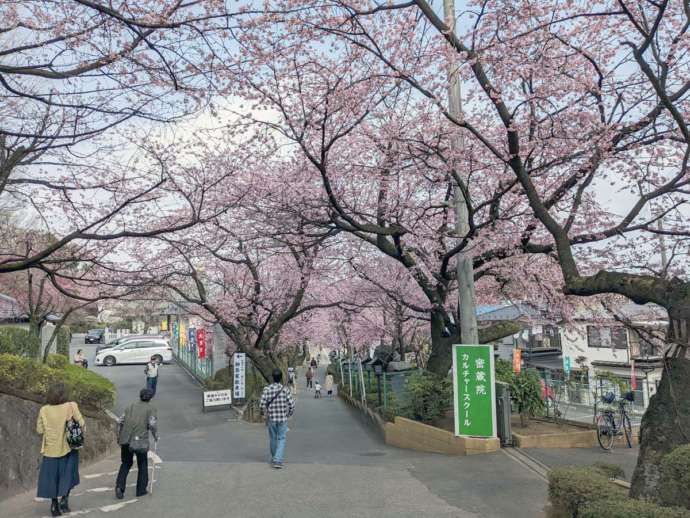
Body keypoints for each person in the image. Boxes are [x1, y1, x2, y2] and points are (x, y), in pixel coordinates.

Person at [36, 382, 84, 516]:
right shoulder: (71, 406)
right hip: (69, 448)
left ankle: (54, 505)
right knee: (68, 476)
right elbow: (82, 424)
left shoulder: (44, 410)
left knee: (52, 478)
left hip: (50, 450)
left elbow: (39, 430)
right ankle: (64, 500)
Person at [115, 388, 158, 499]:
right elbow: (152, 424)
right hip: (140, 441)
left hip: (125, 439)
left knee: (126, 463)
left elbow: (120, 421)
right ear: (150, 398)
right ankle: (141, 490)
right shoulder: (151, 408)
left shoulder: (130, 406)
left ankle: (119, 487)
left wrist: (119, 436)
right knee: (142, 463)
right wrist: (155, 436)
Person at [259, 369, 295, 469]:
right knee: (282, 438)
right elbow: (292, 404)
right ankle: (278, 460)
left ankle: (275, 457)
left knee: (273, 438)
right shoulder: (285, 389)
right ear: (281, 378)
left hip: (271, 418)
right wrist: (289, 413)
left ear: (272, 378)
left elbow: (261, 404)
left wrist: (263, 413)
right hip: (283, 418)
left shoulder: (267, 389)